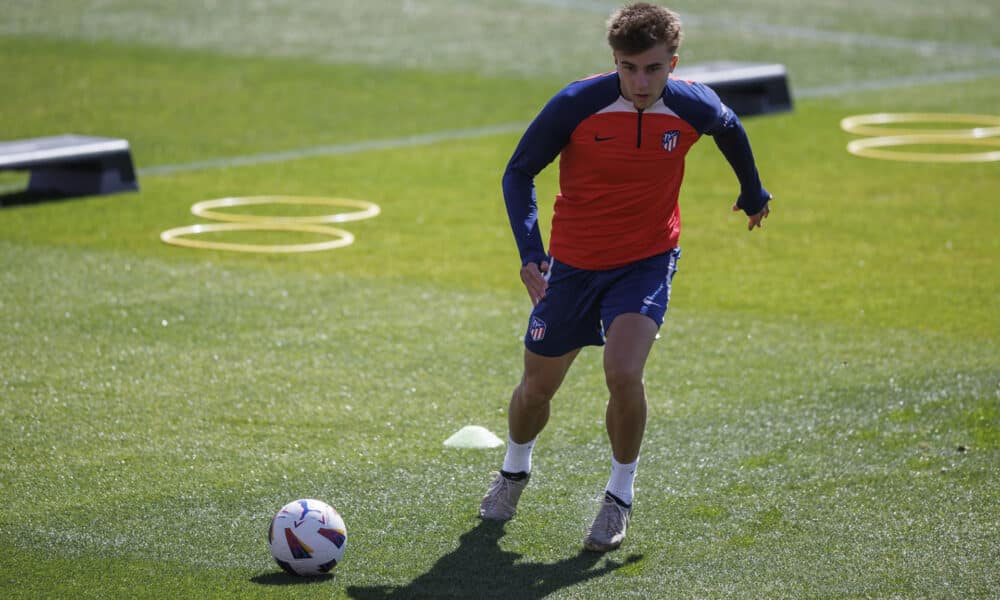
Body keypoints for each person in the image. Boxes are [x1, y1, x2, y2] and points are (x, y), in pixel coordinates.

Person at [478, 2, 772, 553]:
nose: (640, 81)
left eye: (653, 69)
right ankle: (514, 471)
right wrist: (530, 253)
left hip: (646, 261)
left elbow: (730, 128)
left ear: (673, 63)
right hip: (570, 266)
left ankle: (618, 496)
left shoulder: (692, 105)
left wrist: (752, 192)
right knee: (537, 389)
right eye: (628, 67)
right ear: (614, 61)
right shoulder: (576, 104)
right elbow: (519, 172)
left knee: (623, 372)